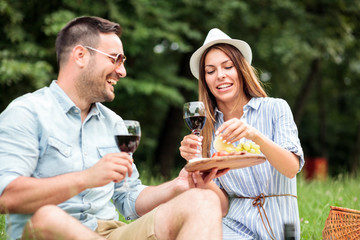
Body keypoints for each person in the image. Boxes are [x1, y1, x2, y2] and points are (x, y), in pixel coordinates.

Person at [0, 17, 226, 240]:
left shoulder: (114, 124)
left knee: (204, 200)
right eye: (115, 59)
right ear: (80, 56)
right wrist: (87, 178)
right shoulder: (27, 112)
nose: (122, 71)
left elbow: (128, 198)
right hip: (46, 230)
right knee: (48, 217)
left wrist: (177, 186)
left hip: (110, 233)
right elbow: (5, 196)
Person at [179, 28, 304, 239]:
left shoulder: (276, 108)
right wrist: (198, 169)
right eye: (210, 71)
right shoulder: (208, 129)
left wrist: (254, 135)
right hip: (235, 226)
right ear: (206, 81)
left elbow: (291, 168)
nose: (220, 75)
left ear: (241, 70)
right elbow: (223, 205)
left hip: (281, 226)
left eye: (228, 66)